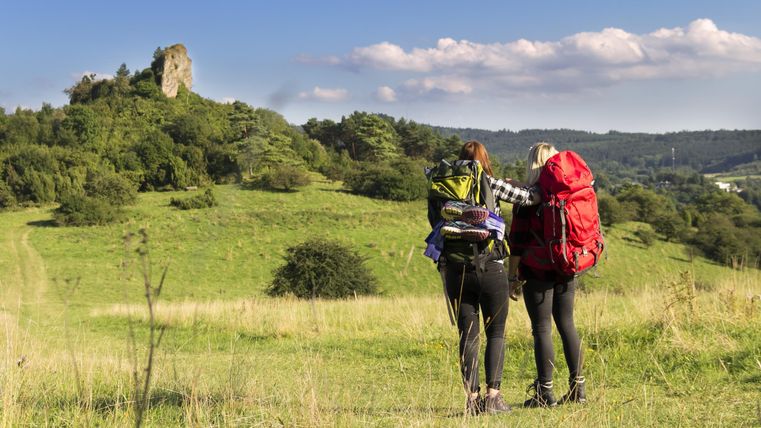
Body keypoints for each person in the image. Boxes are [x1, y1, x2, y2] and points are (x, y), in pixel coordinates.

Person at [443, 140, 540, 415]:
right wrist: (524, 183)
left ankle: (472, 400)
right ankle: (493, 397)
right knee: (496, 332)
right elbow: (531, 198)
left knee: (468, 335)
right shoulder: (491, 183)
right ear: (484, 160)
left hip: (455, 269)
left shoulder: (446, 188)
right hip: (492, 268)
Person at [507, 142, 586, 408]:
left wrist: (512, 278)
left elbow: (516, 242)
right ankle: (578, 390)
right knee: (567, 325)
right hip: (567, 265)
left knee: (542, 329)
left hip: (537, 269)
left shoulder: (527, 200)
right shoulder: (566, 193)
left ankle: (545, 393)